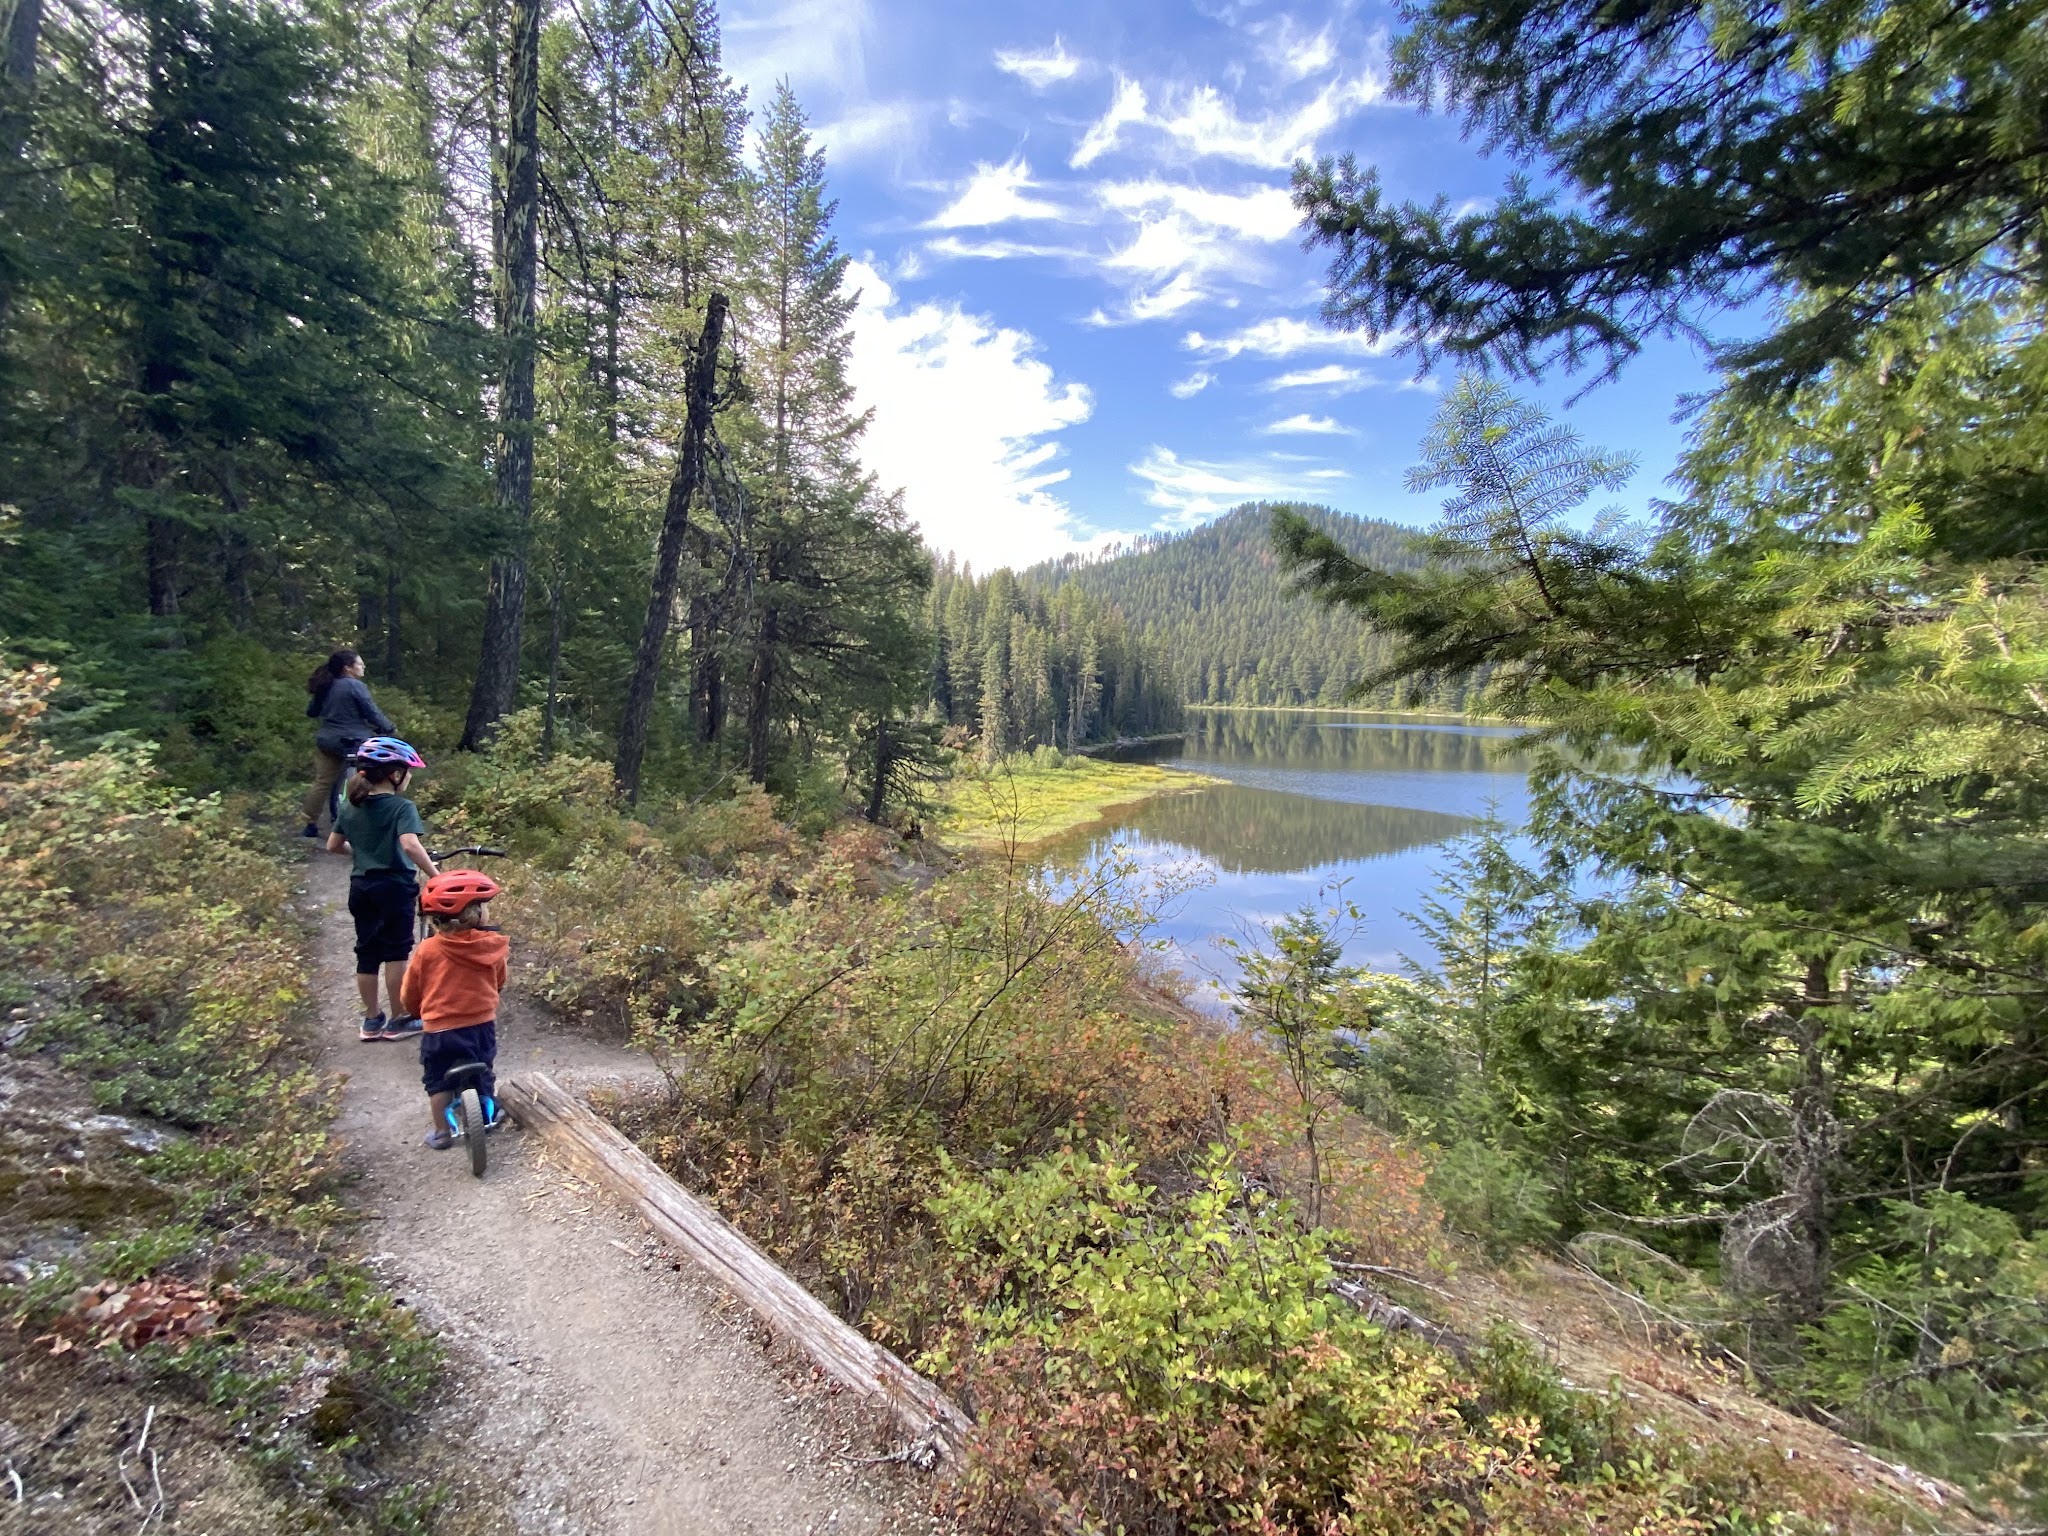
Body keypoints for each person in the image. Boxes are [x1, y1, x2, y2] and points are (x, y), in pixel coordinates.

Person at [327, 737, 438, 1041]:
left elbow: (333, 845)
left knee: (367, 952)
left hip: (361, 886)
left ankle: (371, 1020)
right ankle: (400, 1020)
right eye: (408, 771)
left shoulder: (351, 806)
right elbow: (409, 844)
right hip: (394, 886)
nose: (409, 777)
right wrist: (435, 874)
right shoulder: (401, 807)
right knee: (396, 952)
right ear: (395, 774)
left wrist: (364, 853)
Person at [401, 869, 510, 1150]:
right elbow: (499, 982)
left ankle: (441, 1132)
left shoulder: (427, 951)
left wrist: (415, 1011)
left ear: (436, 920)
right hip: (480, 1026)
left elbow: (410, 993)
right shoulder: (492, 947)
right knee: (483, 1070)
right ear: (477, 914)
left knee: (438, 1082)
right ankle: (489, 1114)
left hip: (440, 1031)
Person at [301, 648, 396, 838]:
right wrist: (389, 728)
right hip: (355, 741)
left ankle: (310, 823)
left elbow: (311, 712)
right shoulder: (355, 686)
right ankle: (361, 819)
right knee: (368, 778)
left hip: (327, 741)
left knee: (322, 782)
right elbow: (372, 712)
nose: (363, 667)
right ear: (348, 668)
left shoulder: (326, 684)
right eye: (360, 664)